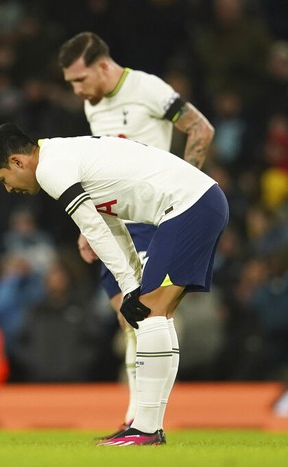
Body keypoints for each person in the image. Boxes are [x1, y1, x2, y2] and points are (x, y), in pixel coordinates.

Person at [0, 123, 228, 446]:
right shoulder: (63, 154)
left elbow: (92, 226)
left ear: (17, 162)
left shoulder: (52, 168)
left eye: (3, 180)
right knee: (156, 315)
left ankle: (146, 430)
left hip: (188, 207)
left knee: (149, 313)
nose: (9, 189)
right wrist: (133, 280)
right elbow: (112, 221)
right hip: (197, 203)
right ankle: (149, 427)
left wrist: (129, 286)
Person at [57, 31, 215, 439]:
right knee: (124, 320)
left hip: (151, 216)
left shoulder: (146, 88)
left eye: (80, 80)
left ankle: (139, 419)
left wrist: (186, 182)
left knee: (144, 314)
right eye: (71, 84)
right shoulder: (96, 108)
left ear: (104, 66)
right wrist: (90, 227)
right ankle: (136, 418)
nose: (77, 91)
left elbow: (201, 130)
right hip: (114, 222)